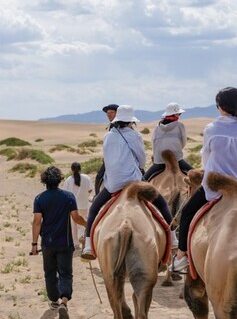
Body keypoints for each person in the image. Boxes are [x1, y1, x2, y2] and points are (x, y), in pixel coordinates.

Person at [171, 87, 237, 273]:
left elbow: (206, 157)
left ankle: (182, 255)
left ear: (220, 106)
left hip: (217, 184)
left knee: (188, 212)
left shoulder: (211, 129)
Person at [81, 105, 175, 261]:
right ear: (131, 121)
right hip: (133, 181)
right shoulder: (135, 135)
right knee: (162, 203)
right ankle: (173, 238)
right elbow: (142, 159)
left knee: (94, 208)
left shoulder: (108, 136)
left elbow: (107, 160)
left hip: (113, 184)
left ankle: (89, 245)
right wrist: (137, 168)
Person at [31, 166, 87, 319]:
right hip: (65, 242)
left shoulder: (39, 198)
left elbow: (36, 222)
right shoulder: (68, 197)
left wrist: (34, 244)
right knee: (66, 273)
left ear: (44, 181)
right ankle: (64, 300)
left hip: (47, 243)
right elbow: (76, 217)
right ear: (59, 180)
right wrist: (87, 225)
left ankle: (54, 300)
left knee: (49, 272)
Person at [144, 102, 193, 180]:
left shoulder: (157, 127)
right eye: (179, 114)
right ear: (175, 114)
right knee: (197, 176)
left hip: (159, 160)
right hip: (176, 159)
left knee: (143, 180)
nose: (179, 116)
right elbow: (183, 143)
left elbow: (153, 143)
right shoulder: (180, 126)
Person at [63, 162, 93, 247]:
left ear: (71, 170)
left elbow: (65, 193)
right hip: (84, 204)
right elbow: (90, 190)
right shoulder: (86, 178)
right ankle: (84, 238)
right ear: (80, 169)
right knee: (83, 222)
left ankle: (76, 243)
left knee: (74, 225)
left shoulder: (68, 180)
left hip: (72, 206)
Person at [94, 103, 119, 194]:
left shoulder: (115, 125)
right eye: (108, 113)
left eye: (112, 112)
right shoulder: (113, 125)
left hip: (112, 159)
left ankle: (96, 196)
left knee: (98, 177)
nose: (109, 114)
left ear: (117, 113)